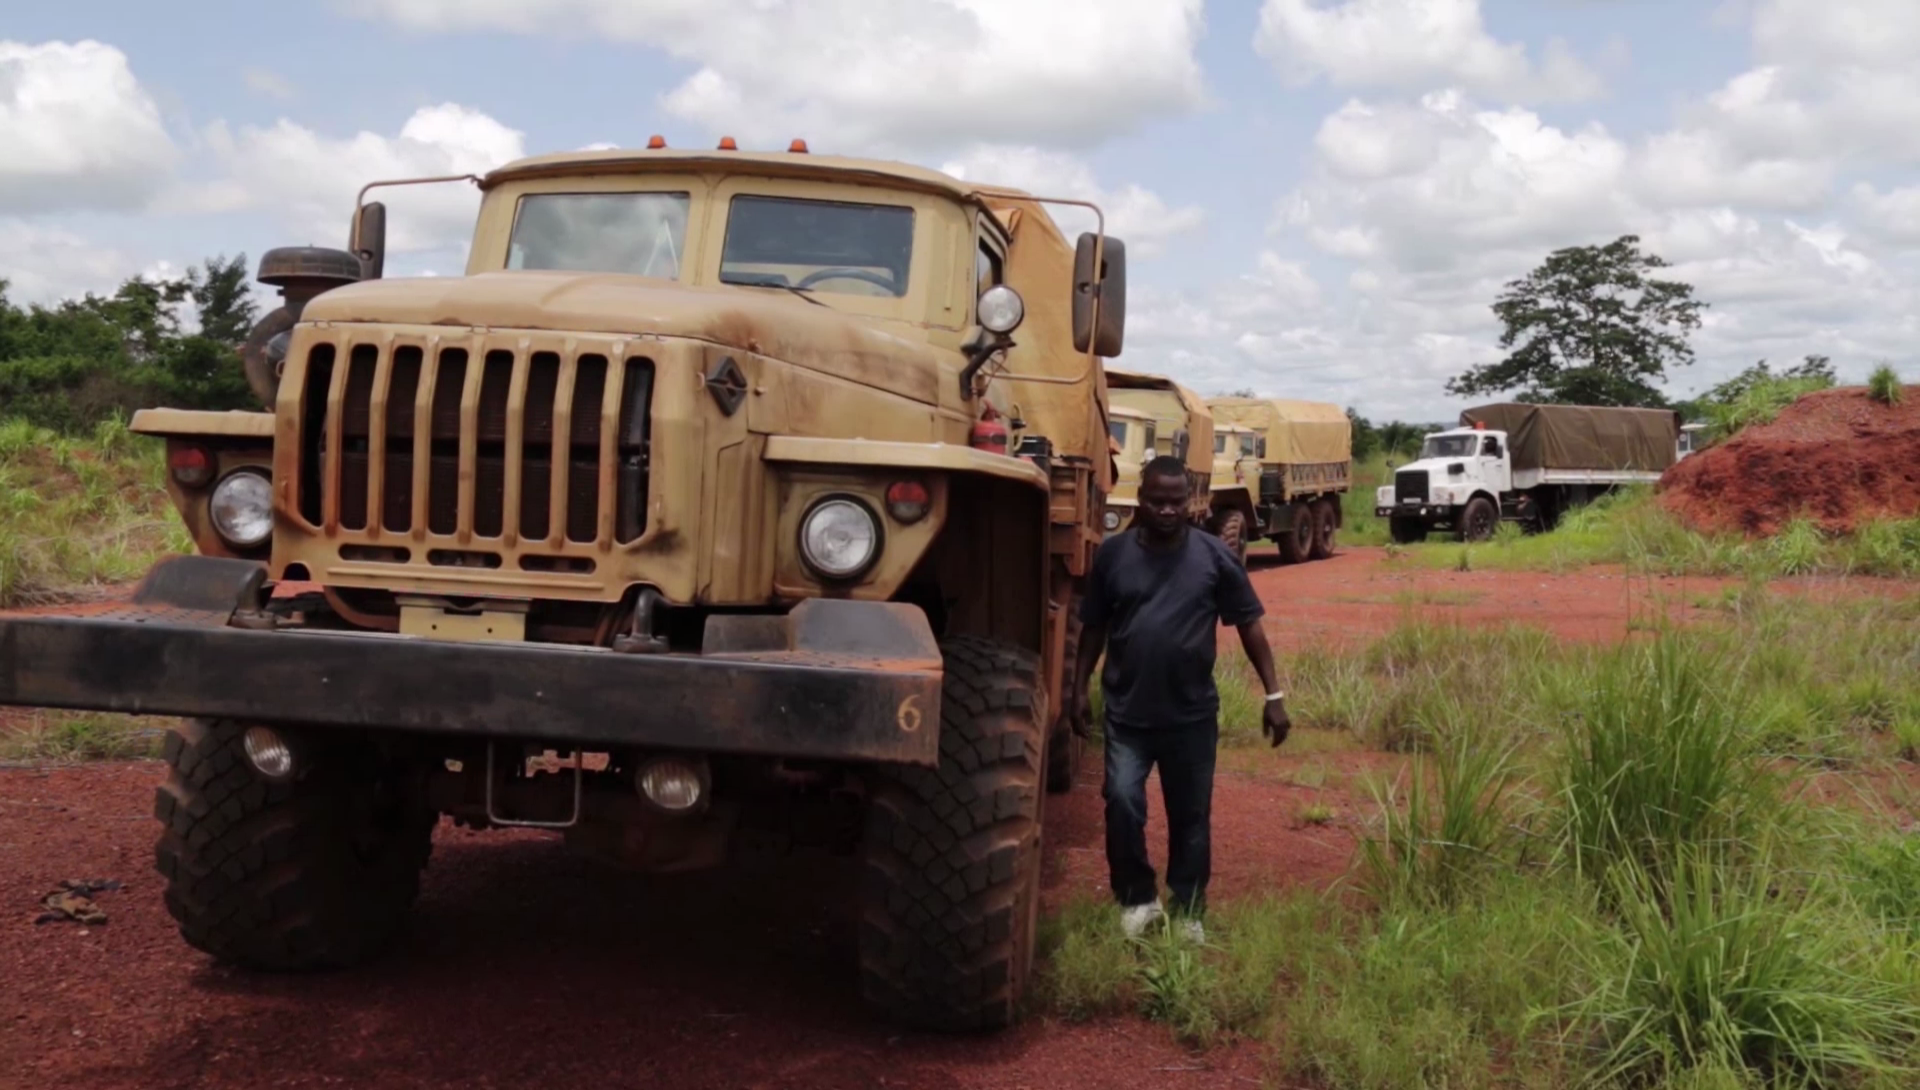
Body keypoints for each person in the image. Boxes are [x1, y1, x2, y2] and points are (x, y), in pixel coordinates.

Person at [1066, 455, 1291, 942]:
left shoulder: (1214, 557)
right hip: (1127, 712)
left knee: (1190, 816)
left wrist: (1273, 695)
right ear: (1140, 499)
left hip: (1191, 715)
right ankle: (1137, 901)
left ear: (1190, 502)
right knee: (1122, 804)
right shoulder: (1114, 555)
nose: (1167, 511)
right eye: (1157, 501)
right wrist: (1078, 687)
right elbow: (1094, 627)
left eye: (1176, 502)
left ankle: (1188, 909)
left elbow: (1249, 626)